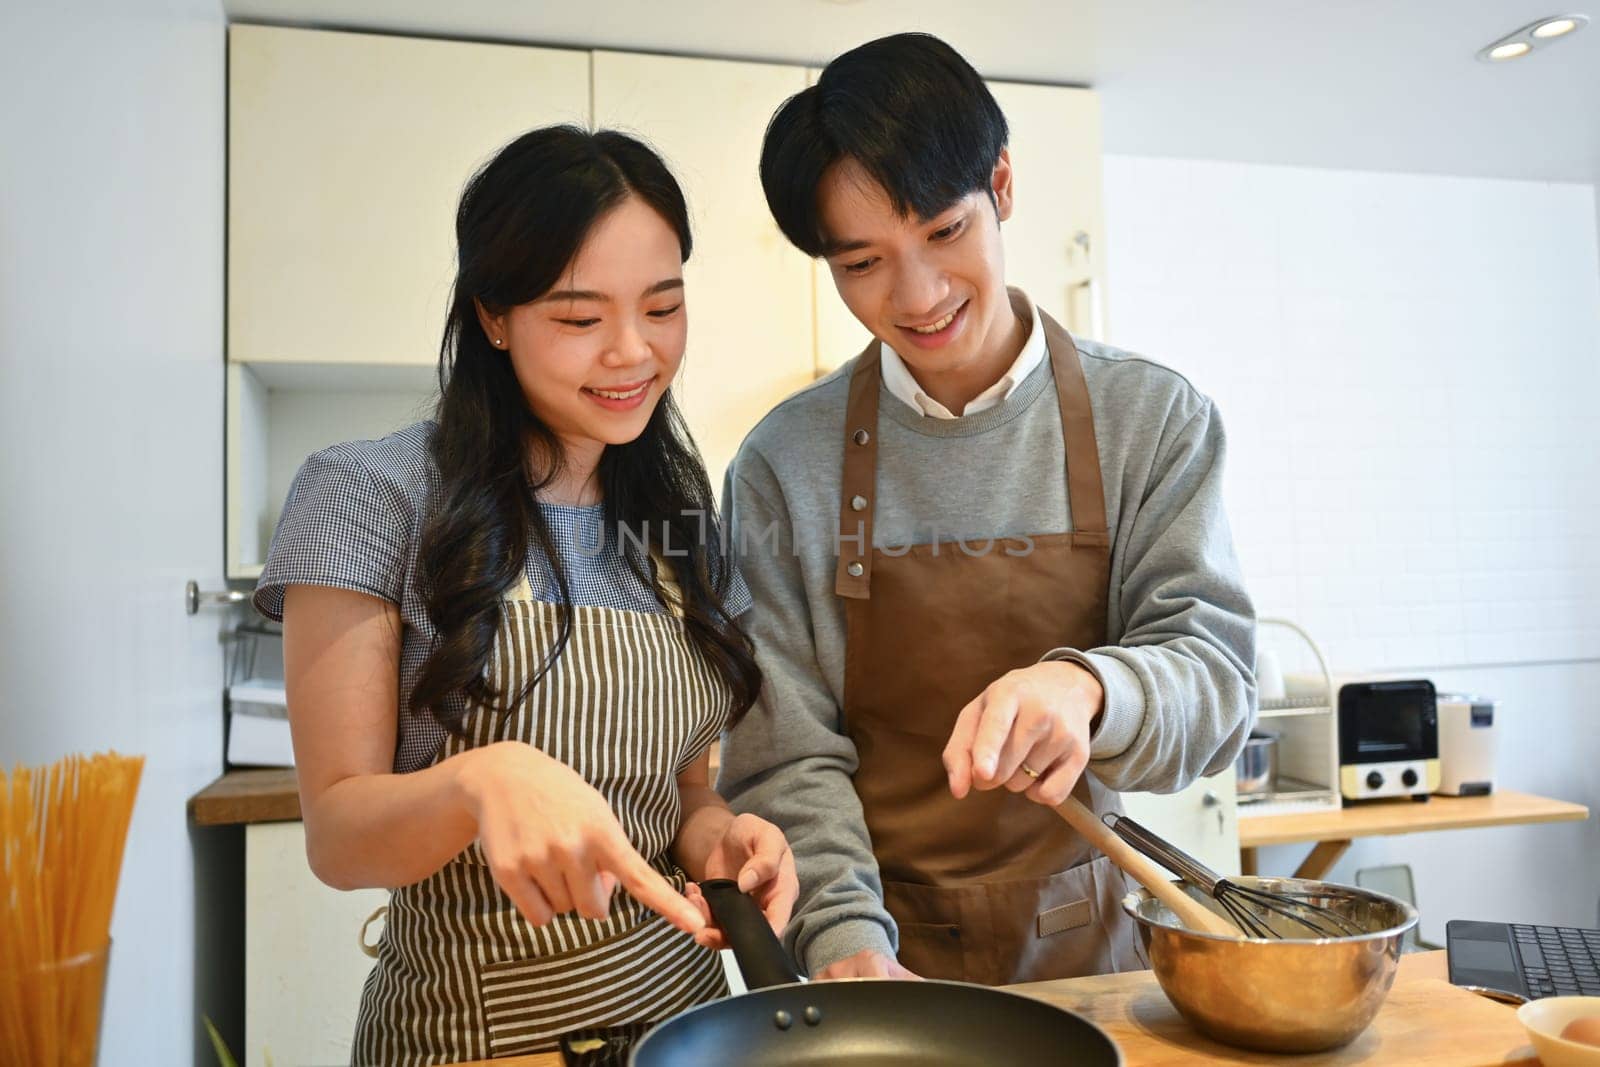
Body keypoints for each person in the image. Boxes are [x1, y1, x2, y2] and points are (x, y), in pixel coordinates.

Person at [718, 33, 1256, 987]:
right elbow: (786, 753)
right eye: (863, 263)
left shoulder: (1153, 419)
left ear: (1002, 184)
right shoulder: (782, 465)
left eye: (944, 231)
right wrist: (847, 945)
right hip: (880, 967)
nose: (917, 295)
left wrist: (1093, 688)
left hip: (1099, 967)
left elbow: (1214, 682)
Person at [253, 125, 797, 1064]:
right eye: (581, 319)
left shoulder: (677, 519)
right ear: (494, 315)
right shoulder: (370, 494)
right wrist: (478, 780)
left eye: (663, 308)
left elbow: (682, 792)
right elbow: (338, 835)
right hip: (477, 1038)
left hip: (694, 1031)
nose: (633, 353)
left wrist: (723, 838)